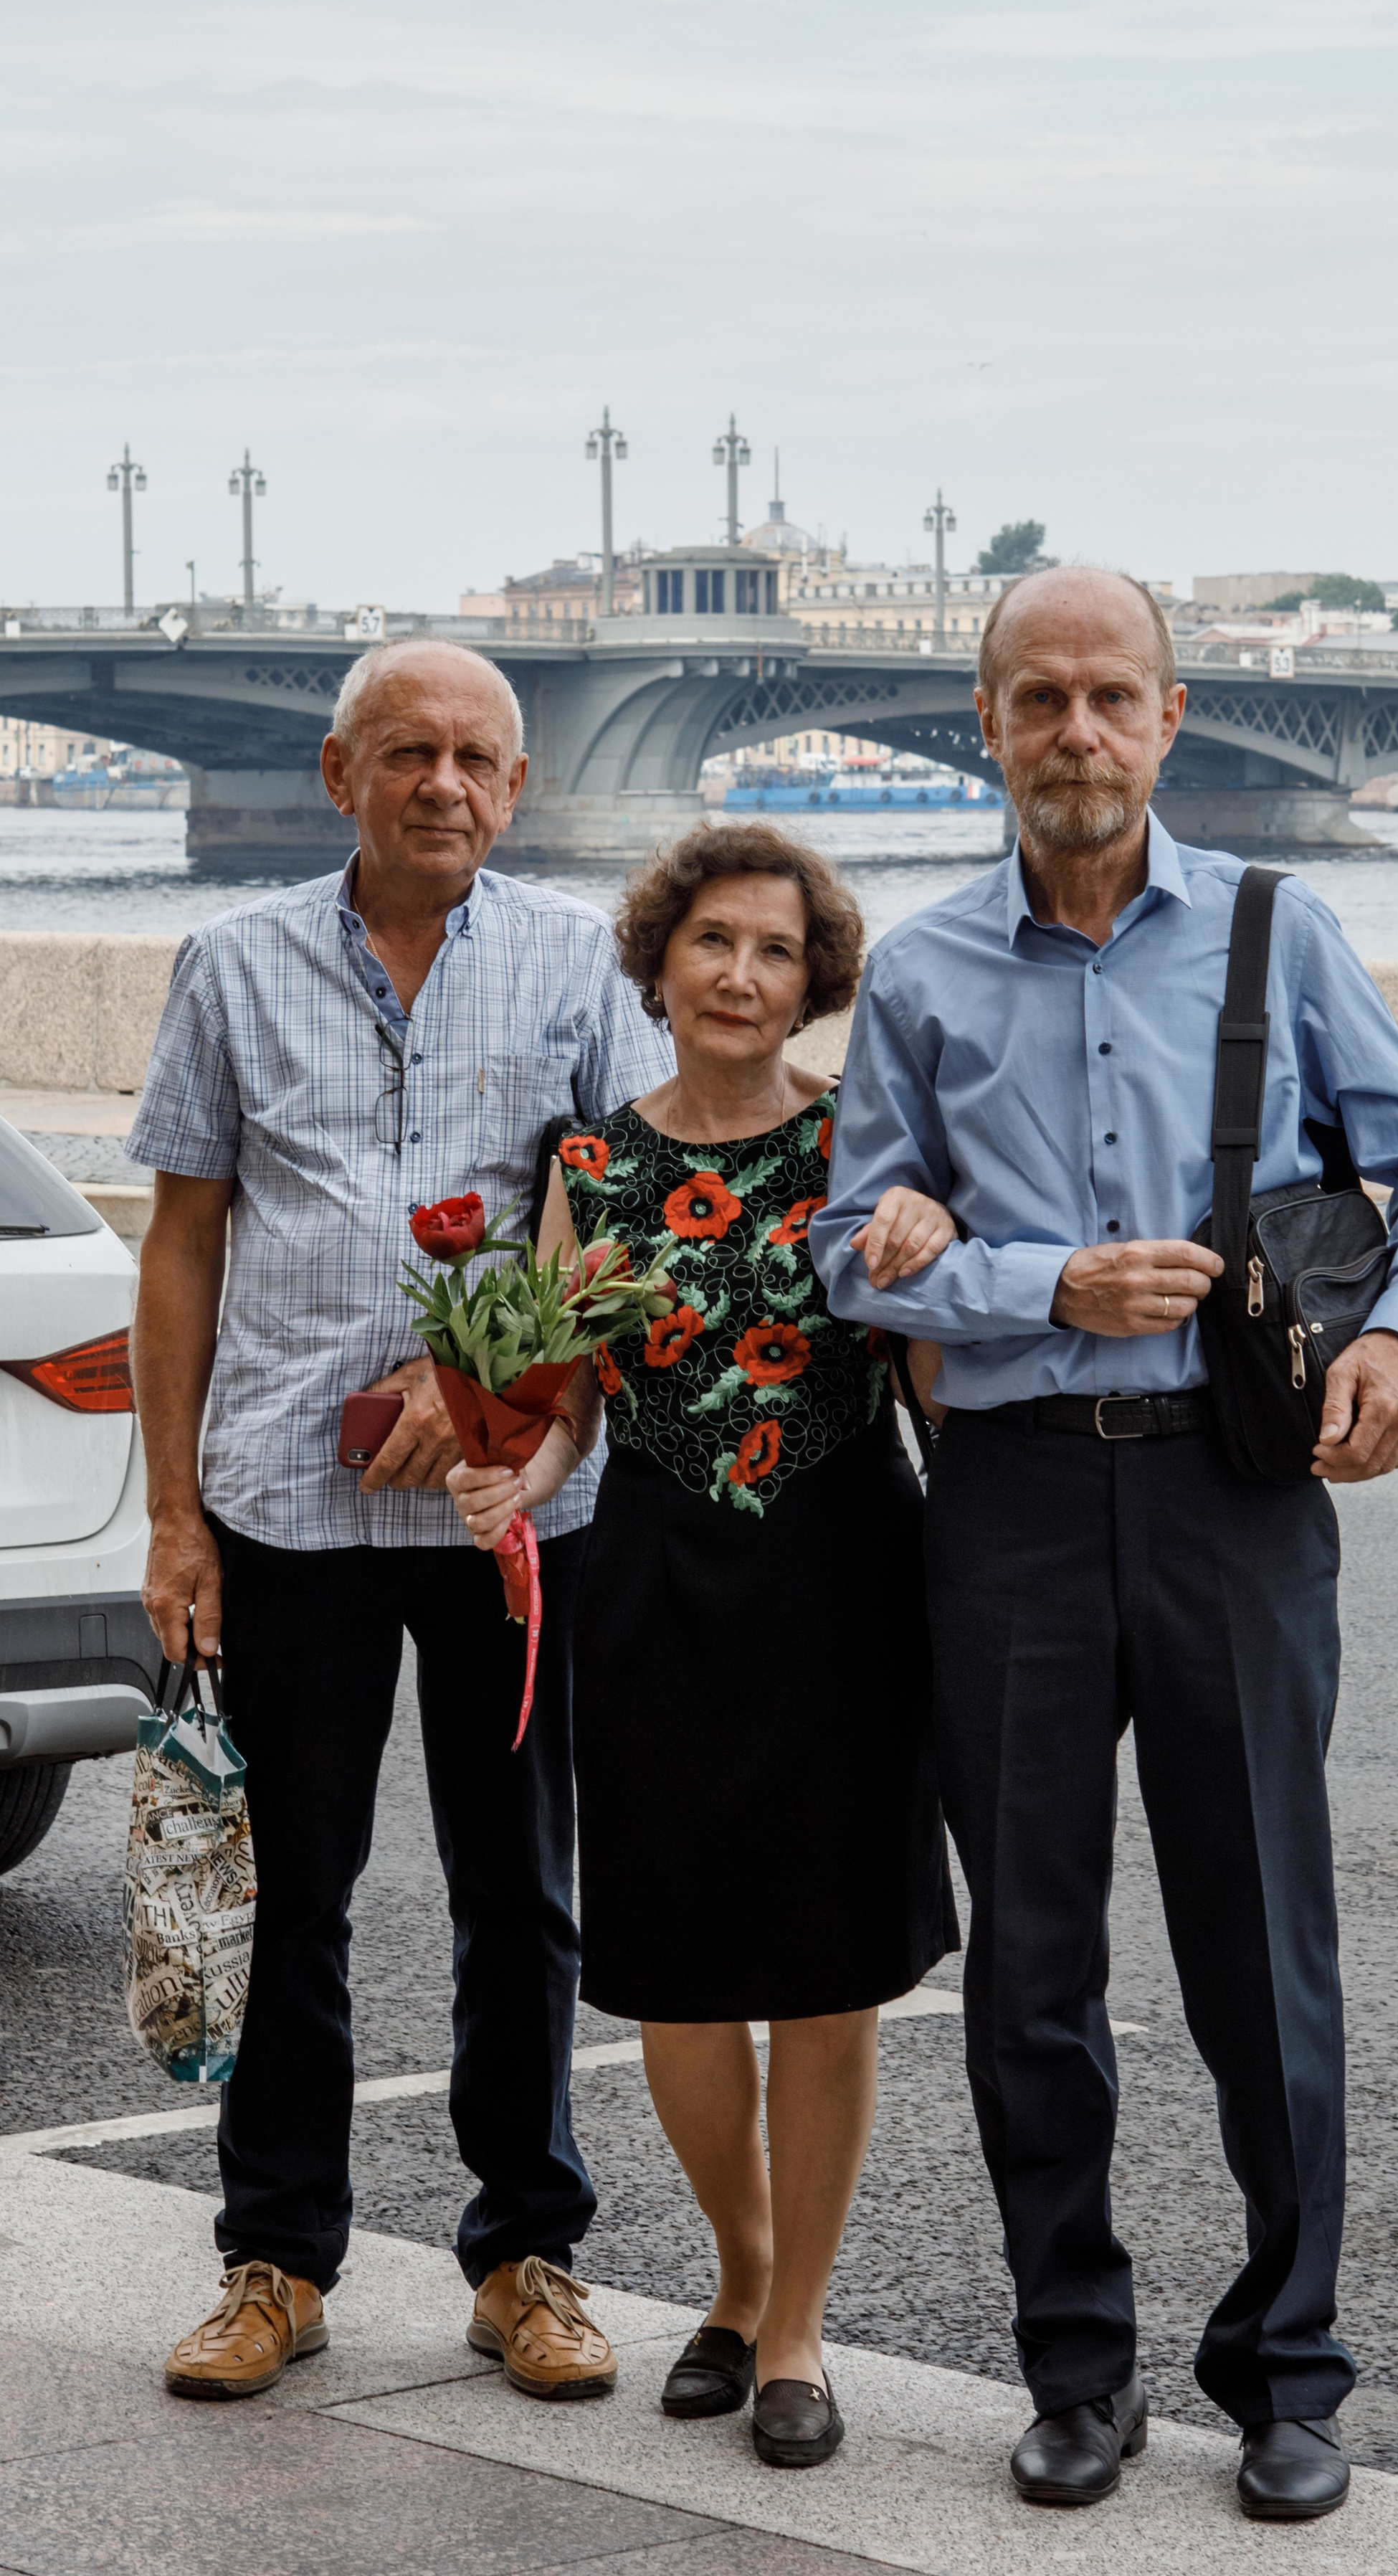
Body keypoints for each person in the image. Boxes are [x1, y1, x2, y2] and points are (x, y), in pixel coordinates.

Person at [811, 569, 1398, 2522]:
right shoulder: (931, 974)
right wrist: (1041, 1286)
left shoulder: (1286, 934)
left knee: (1261, 1948)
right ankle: (1075, 2369)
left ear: (1174, 718)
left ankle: (1289, 2377)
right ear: (989, 720)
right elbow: (858, 1248)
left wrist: (1397, 1336)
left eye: (1114, 697)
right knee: (1031, 1964)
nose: (1079, 733)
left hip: (1235, 1495)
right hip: (1011, 1506)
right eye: (1042, 700)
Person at [131, 636, 672, 2403]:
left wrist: (515, 1395)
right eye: (408, 751)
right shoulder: (232, 960)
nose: (444, 782)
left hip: (513, 1513)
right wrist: (175, 1521)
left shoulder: (579, 963)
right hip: (287, 1507)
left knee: (521, 1893)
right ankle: (274, 2258)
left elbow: (613, 1230)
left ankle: (528, 2252)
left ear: (513, 791)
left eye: (476, 758)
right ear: (338, 772)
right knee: (294, 1893)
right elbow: (184, 1242)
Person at [447, 820, 960, 2471]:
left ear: (817, 981)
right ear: (658, 961)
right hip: (655, 1582)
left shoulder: (866, 1151)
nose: (743, 973)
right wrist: (504, 1480)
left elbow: (933, 1393)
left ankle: (795, 2324)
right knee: (673, 1976)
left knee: (826, 1978)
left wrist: (937, 1256)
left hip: (843, 1579)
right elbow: (562, 1409)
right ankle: (733, 2277)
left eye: (778, 950)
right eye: (713, 942)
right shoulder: (585, 1167)